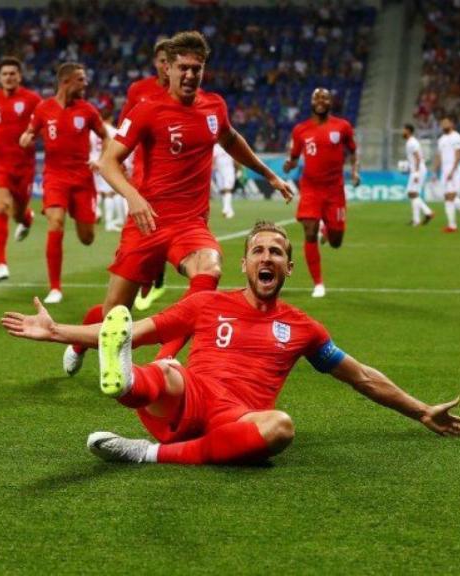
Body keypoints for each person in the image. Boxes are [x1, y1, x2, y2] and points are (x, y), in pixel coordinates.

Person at [1, 220, 460, 465]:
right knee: (167, 371)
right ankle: (122, 383)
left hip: (236, 419)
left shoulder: (303, 328)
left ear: (289, 268)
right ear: (245, 264)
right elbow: (136, 330)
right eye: (259, 251)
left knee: (281, 427)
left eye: (277, 253)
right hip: (188, 398)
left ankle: (145, 453)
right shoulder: (207, 304)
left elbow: (361, 376)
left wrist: (421, 410)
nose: (268, 258)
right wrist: (57, 332)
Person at [62, 31, 293, 376]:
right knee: (115, 316)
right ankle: (81, 340)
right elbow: (109, 161)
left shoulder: (214, 106)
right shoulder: (146, 110)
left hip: (190, 225)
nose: (189, 75)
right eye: (182, 68)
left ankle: (163, 359)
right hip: (147, 221)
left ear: (204, 70)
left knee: (210, 268)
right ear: (167, 68)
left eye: (196, 69)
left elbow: (230, 138)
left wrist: (268, 174)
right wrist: (134, 197)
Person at [19, 62, 108, 305]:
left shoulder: (88, 110)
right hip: (55, 177)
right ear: (66, 81)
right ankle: (55, 287)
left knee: (87, 238)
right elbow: (29, 133)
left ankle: (91, 215)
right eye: (81, 79)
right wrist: (26, 138)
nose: (85, 83)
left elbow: (106, 137)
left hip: (82, 179)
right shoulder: (43, 108)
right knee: (56, 222)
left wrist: (101, 160)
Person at [282, 87, 360, 298]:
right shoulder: (300, 130)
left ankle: (326, 230)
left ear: (330, 102)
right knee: (308, 230)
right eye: (316, 97)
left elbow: (353, 151)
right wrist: (289, 164)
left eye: (324, 97)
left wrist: (354, 171)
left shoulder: (342, 126)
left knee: (336, 241)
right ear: (311, 101)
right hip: (310, 188)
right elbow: (295, 157)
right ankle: (318, 284)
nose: (320, 101)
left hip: (335, 190)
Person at [0, 56, 42, 282]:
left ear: (19, 76)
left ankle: (27, 218)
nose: (9, 77)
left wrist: (32, 134)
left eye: (13, 73)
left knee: (18, 214)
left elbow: (44, 122)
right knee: (1, 206)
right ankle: (1, 263)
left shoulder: (32, 99)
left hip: (24, 165)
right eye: (4, 74)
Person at [121, 38, 171, 312]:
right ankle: (146, 279)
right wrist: (118, 160)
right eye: (162, 60)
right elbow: (123, 126)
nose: (166, 66)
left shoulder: (183, 94)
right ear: (156, 62)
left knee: (161, 226)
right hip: (142, 169)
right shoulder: (139, 90)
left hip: (170, 172)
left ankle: (153, 276)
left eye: (169, 61)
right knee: (142, 229)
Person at [434, 117, 460, 233]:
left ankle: (454, 225)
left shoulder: (456, 137)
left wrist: (452, 170)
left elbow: (458, 155)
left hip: (454, 169)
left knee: (451, 196)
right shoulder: (441, 139)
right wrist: (435, 170)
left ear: (451, 124)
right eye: (442, 123)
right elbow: (439, 156)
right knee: (448, 197)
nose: (444, 125)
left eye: (446, 122)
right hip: (444, 170)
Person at [91, 109, 129, 232]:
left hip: (92, 162)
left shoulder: (93, 132)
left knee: (97, 191)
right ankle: (110, 222)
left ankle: (96, 212)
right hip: (105, 163)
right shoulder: (114, 132)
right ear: (111, 118)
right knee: (111, 193)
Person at [402, 123, 432, 226]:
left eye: (404, 130)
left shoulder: (412, 142)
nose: (403, 132)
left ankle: (428, 212)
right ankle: (416, 220)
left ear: (408, 131)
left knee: (412, 193)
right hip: (416, 169)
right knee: (413, 194)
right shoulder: (410, 142)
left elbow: (418, 157)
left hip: (418, 170)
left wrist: (417, 173)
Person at [212, 142, 236, 219]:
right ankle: (229, 209)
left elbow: (236, 158)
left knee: (227, 189)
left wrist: (239, 170)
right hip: (218, 171)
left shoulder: (230, 145)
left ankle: (225, 209)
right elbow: (213, 158)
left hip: (229, 170)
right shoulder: (215, 147)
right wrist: (212, 169)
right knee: (222, 191)